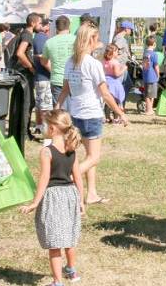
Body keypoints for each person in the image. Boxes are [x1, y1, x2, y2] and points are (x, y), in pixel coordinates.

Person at [56, 24, 129, 206]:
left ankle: (92, 194)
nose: (99, 42)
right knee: (94, 157)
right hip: (91, 115)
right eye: (96, 39)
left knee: (89, 155)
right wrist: (120, 113)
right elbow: (104, 93)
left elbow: (65, 90)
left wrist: (57, 107)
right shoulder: (93, 64)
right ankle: (68, 178)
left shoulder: (70, 62)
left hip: (75, 114)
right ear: (90, 40)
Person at [21, 110, 83, 286]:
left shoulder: (47, 152)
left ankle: (57, 281)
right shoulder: (72, 149)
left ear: (53, 128)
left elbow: (44, 179)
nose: (44, 127)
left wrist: (35, 202)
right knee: (70, 239)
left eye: (46, 125)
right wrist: (81, 200)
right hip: (70, 195)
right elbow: (78, 177)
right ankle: (71, 271)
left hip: (53, 198)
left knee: (55, 243)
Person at [12, 13, 43, 138]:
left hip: (21, 73)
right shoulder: (27, 35)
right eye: (40, 23)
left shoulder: (24, 33)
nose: (41, 26)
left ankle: (22, 131)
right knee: (28, 102)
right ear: (33, 23)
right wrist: (31, 68)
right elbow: (20, 53)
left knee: (27, 102)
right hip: (24, 73)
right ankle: (24, 133)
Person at [41, 16, 74, 106]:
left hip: (57, 80)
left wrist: (53, 70)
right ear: (69, 26)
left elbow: (43, 62)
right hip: (74, 79)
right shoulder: (76, 40)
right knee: (76, 110)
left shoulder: (49, 42)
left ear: (56, 27)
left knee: (59, 113)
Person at [33, 19, 52, 135]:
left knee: (40, 104)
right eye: (48, 27)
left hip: (40, 77)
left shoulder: (38, 37)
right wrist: (53, 72)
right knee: (45, 105)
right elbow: (42, 57)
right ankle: (45, 131)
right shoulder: (41, 38)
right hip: (44, 76)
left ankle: (39, 126)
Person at [102, 44, 127, 123]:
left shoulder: (104, 61)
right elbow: (116, 74)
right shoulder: (115, 62)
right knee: (115, 100)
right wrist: (124, 69)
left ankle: (107, 117)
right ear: (112, 53)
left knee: (108, 100)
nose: (118, 53)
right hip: (114, 83)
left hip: (106, 81)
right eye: (116, 51)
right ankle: (116, 117)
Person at [142, 35, 160, 115]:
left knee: (147, 94)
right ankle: (149, 110)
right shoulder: (154, 54)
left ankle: (149, 109)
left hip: (146, 76)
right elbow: (156, 66)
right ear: (154, 44)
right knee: (151, 95)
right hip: (152, 77)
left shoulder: (145, 53)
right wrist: (158, 74)